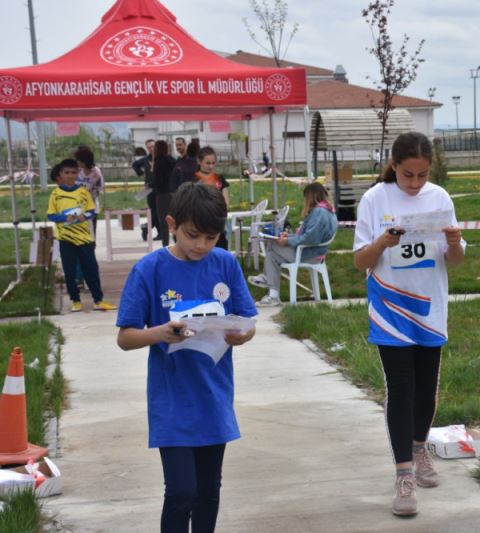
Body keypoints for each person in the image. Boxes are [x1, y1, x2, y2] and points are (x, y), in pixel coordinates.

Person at [116, 181, 257, 533]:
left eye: (211, 238)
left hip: (214, 397)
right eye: (193, 235)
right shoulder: (150, 270)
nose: (201, 246)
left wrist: (243, 335)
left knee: (209, 490)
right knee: (181, 491)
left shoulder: (224, 264)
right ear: (171, 224)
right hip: (173, 401)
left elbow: (248, 320)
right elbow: (125, 337)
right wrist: (161, 333)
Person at [352, 132, 465, 517]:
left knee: (426, 387)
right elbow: (358, 262)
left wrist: (454, 242)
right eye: (407, 175)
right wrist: (383, 242)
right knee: (400, 389)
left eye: (421, 175)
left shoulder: (440, 198)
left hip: (430, 307)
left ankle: (420, 449)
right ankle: (403, 475)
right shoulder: (374, 199)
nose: (415, 183)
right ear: (393, 166)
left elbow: (456, 261)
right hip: (390, 308)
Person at [247, 182, 337, 306]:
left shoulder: (319, 213)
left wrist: (287, 241)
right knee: (272, 255)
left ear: (310, 197)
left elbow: (311, 238)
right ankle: (272, 294)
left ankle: (269, 283)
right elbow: (307, 236)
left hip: (308, 254)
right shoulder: (328, 211)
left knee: (272, 244)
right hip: (313, 253)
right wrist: (288, 236)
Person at [47, 159, 117, 313]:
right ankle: (75, 301)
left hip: (84, 239)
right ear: (60, 174)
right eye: (67, 173)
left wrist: (83, 217)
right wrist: (65, 218)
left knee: (91, 269)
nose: (70, 176)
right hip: (65, 239)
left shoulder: (84, 192)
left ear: (77, 174)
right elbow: (51, 215)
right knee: (70, 271)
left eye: (73, 172)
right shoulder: (56, 194)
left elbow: (92, 211)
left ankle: (98, 300)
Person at [194, 146, 230, 250]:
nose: (211, 166)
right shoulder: (194, 179)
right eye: (208, 163)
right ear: (199, 161)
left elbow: (226, 202)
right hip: (200, 223)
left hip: (218, 222)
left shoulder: (219, 178)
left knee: (220, 252)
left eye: (213, 163)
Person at [133, 139, 160, 241]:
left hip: (161, 188)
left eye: (153, 146)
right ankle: (150, 229)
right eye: (149, 147)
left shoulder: (161, 158)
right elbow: (135, 164)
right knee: (154, 212)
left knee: (159, 212)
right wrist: (141, 173)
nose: (152, 149)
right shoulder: (145, 160)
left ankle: (150, 229)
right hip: (149, 188)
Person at [74, 146, 104, 234]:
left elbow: (99, 189)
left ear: (84, 161)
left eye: (78, 160)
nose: (77, 162)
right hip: (77, 207)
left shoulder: (96, 173)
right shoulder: (77, 172)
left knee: (90, 233)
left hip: (92, 207)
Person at [152, 140, 176, 247]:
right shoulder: (172, 160)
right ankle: (178, 243)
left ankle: (165, 245)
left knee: (164, 222)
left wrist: (151, 184)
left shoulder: (158, 162)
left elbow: (158, 180)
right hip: (174, 193)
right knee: (175, 220)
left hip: (162, 195)